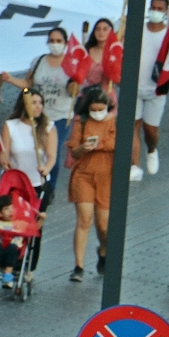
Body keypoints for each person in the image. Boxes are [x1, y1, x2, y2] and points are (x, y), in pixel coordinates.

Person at [3, 27, 79, 192]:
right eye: (52, 40)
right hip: (38, 113)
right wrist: (10, 79)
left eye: (58, 41)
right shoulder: (39, 61)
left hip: (60, 115)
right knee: (36, 147)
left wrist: (76, 81)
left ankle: (48, 187)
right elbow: (28, 84)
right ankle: (32, 180)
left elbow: (74, 92)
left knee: (53, 151)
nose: (55, 44)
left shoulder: (71, 64)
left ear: (65, 44)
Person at [0, 90, 59, 278]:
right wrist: (4, 161)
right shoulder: (11, 126)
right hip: (16, 183)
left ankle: (28, 266)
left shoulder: (48, 127)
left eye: (40, 102)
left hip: (37, 184)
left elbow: (51, 156)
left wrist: (47, 168)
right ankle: (7, 260)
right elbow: (4, 152)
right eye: (33, 102)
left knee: (34, 224)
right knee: (11, 221)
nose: (38, 106)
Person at [66, 86, 117, 282]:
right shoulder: (81, 121)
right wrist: (83, 147)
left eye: (100, 109)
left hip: (107, 176)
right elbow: (74, 151)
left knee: (103, 225)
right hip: (84, 174)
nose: (97, 113)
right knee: (84, 219)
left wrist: (98, 145)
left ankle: (104, 249)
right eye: (93, 109)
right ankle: (78, 266)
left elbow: (115, 143)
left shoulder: (114, 122)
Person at [131, 0, 169, 182]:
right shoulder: (138, 30)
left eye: (160, 9)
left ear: (166, 12)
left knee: (150, 130)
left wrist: (168, 66)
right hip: (135, 88)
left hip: (156, 90)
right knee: (132, 127)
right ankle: (134, 165)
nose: (155, 12)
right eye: (153, 8)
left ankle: (151, 149)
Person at [0, 196, 30, 284]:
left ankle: (8, 272)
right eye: (6, 209)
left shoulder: (21, 224)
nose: (10, 211)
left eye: (13, 208)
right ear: (0, 214)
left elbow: (32, 230)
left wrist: (41, 219)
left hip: (14, 250)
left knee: (13, 247)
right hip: (0, 249)